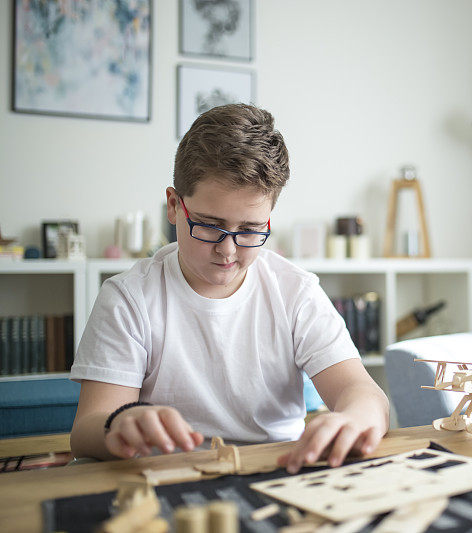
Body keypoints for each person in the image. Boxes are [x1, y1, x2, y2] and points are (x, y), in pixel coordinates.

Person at [70, 104, 389, 473]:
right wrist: (118, 424)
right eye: (208, 226)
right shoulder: (130, 298)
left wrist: (355, 417)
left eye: (251, 230)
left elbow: (364, 394)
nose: (228, 250)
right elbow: (86, 429)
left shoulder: (295, 292)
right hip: (168, 477)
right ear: (174, 206)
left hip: (278, 470)